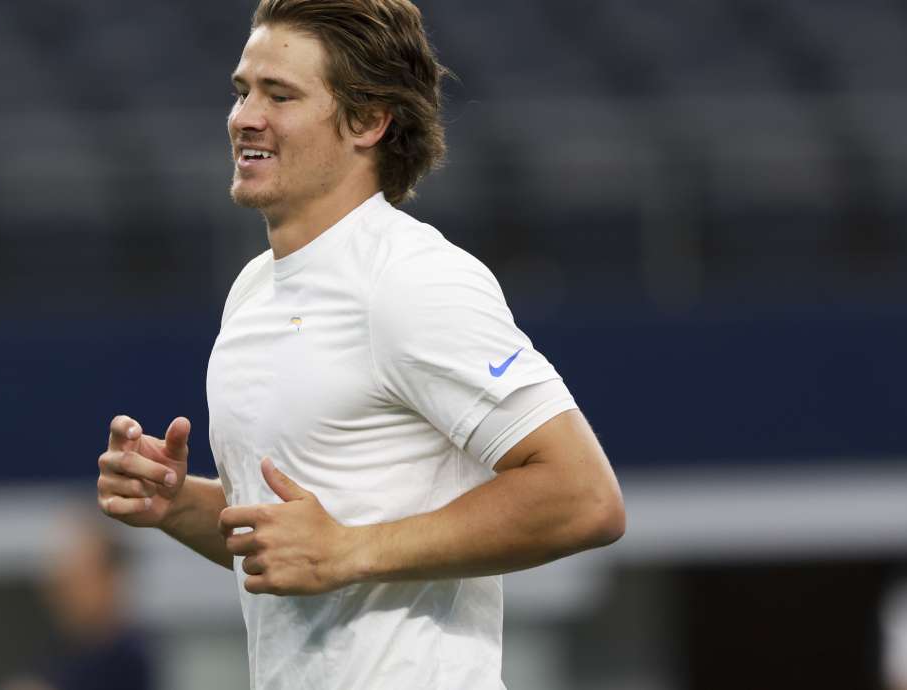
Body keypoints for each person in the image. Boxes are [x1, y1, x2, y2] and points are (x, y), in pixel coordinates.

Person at [96, 1, 625, 687]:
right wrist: (177, 506)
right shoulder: (254, 291)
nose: (244, 117)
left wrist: (351, 551)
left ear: (369, 121)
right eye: (242, 90)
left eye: (279, 94)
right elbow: (294, 544)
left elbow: (584, 497)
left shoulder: (410, 278)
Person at [1, 509, 154, 690]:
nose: (62, 595)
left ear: (110, 579)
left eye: (77, 579)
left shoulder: (127, 658)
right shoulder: (64, 651)